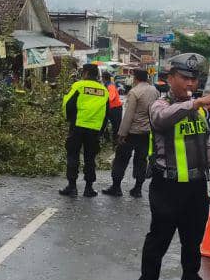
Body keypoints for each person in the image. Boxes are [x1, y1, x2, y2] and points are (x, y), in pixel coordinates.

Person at [138, 53, 210, 280]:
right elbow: (162, 119)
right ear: (170, 78)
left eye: (194, 79)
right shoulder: (160, 105)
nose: (190, 83)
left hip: (195, 190)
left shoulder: (198, 111)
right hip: (167, 189)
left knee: (192, 248)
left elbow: (206, 145)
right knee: (157, 244)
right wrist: (197, 103)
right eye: (184, 78)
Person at [103, 68, 159, 197]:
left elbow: (128, 115)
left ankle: (116, 187)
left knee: (121, 159)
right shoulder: (154, 91)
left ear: (136, 78)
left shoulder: (135, 92)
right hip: (146, 132)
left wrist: (121, 134)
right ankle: (137, 189)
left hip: (132, 132)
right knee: (141, 160)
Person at [59, 64, 109, 197]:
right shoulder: (104, 90)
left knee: (73, 155)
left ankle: (72, 187)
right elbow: (106, 113)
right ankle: (89, 188)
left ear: (85, 73)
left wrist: (69, 119)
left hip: (77, 127)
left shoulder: (79, 86)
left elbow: (68, 104)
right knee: (90, 158)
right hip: (94, 129)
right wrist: (101, 130)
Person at [100, 71, 123, 142]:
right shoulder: (106, 85)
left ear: (103, 78)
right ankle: (110, 139)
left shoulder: (110, 86)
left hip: (115, 109)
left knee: (116, 126)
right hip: (110, 108)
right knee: (105, 124)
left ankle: (116, 141)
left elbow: (111, 98)